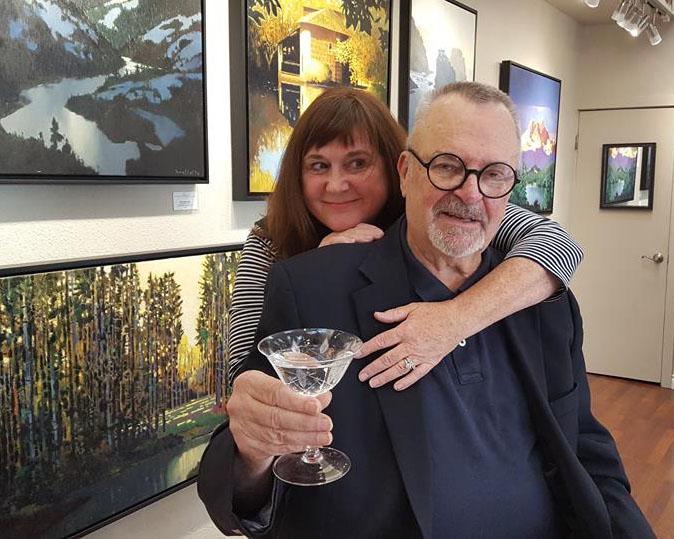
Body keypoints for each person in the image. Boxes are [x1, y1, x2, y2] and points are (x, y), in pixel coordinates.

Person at [199, 82, 653, 538]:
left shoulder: (539, 296)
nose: (470, 193)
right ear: (406, 172)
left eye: (494, 174)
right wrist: (252, 447)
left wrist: (455, 318)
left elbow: (585, 449)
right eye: (447, 167)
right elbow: (247, 450)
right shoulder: (302, 282)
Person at [227, 87, 583, 393]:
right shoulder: (270, 241)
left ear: (399, 170)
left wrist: (455, 319)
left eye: (357, 163)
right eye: (318, 166)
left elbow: (557, 244)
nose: (336, 185)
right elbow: (243, 375)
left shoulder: (436, 215)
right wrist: (318, 275)